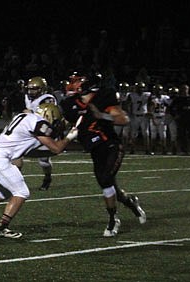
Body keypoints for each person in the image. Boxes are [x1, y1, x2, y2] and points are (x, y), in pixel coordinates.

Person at [0, 105, 79, 239]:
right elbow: (56, 148)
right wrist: (70, 137)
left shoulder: (25, 119)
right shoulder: (39, 123)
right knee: (21, 192)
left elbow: (31, 151)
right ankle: (1, 228)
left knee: (3, 193)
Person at [60, 73, 146, 237]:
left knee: (105, 179)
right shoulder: (70, 103)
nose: (72, 84)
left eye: (77, 81)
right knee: (109, 185)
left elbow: (123, 119)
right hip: (94, 149)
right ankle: (130, 201)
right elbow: (67, 122)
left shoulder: (103, 98)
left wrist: (102, 116)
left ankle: (113, 219)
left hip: (111, 145)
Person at [22, 76, 58, 190]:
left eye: (34, 89)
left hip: (44, 130)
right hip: (30, 130)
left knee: (43, 161)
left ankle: (47, 178)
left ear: (42, 89)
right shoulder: (28, 97)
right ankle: (15, 182)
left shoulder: (48, 99)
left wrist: (31, 113)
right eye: (30, 89)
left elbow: (49, 115)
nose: (31, 91)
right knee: (15, 153)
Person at [169, 84, 190, 155]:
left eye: (185, 89)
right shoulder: (177, 99)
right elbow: (171, 109)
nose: (184, 91)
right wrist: (175, 115)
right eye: (183, 89)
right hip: (181, 120)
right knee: (182, 135)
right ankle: (184, 150)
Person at [126, 81, 152, 154]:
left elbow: (152, 103)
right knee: (134, 133)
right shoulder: (131, 95)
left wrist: (150, 111)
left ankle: (147, 149)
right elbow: (128, 104)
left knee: (146, 133)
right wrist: (129, 113)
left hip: (144, 115)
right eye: (139, 88)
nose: (140, 89)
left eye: (141, 88)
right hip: (135, 115)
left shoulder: (147, 95)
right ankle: (132, 149)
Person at [149, 84, 170, 154]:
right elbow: (150, 108)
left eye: (159, 90)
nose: (158, 92)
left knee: (163, 135)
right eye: (157, 90)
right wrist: (152, 118)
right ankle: (152, 149)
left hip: (162, 117)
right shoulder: (152, 98)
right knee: (153, 135)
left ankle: (164, 149)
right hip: (154, 117)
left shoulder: (165, 98)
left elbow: (169, 106)